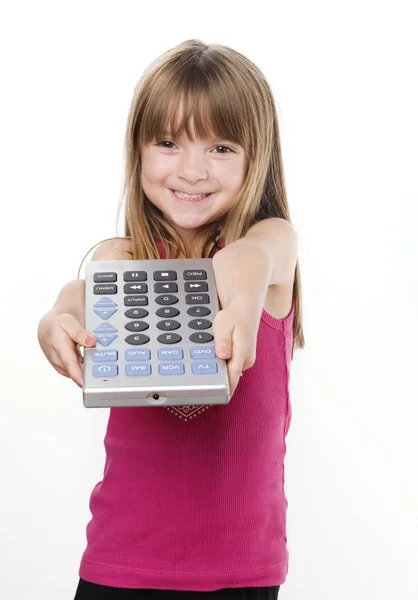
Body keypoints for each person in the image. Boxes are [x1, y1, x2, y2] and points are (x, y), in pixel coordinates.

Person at [37, 39, 304, 600]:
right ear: (137, 151)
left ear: (259, 156)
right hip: (121, 562)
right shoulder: (127, 256)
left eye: (221, 147)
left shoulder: (270, 242)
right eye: (167, 142)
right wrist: (59, 317)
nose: (191, 169)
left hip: (242, 570)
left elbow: (249, 259)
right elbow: (86, 292)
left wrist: (241, 300)